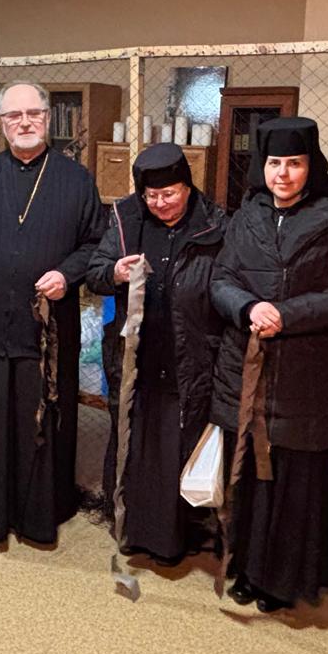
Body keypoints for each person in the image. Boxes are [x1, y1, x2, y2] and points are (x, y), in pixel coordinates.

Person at [208, 118, 328, 612]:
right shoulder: (246, 216)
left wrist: (288, 314)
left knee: (295, 478)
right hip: (247, 363)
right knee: (250, 474)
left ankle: (284, 580)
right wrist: (247, 307)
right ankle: (247, 568)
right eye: (275, 163)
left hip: (304, 369)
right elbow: (221, 278)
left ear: (310, 166)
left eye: (294, 163)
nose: (283, 174)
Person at [0, 81, 104, 546]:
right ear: (2, 123)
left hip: (46, 329)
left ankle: (37, 515)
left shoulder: (76, 180)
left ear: (47, 119)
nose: (24, 122)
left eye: (33, 114)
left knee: (39, 422)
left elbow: (96, 244)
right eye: (13, 116)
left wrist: (67, 274)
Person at [87, 142, 227, 565]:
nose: (161, 203)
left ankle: (180, 537)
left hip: (190, 353)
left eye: (170, 194)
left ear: (187, 186)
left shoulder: (215, 223)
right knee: (135, 441)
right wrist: (115, 272)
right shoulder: (125, 218)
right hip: (137, 357)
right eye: (152, 196)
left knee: (179, 443)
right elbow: (95, 272)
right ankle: (130, 528)